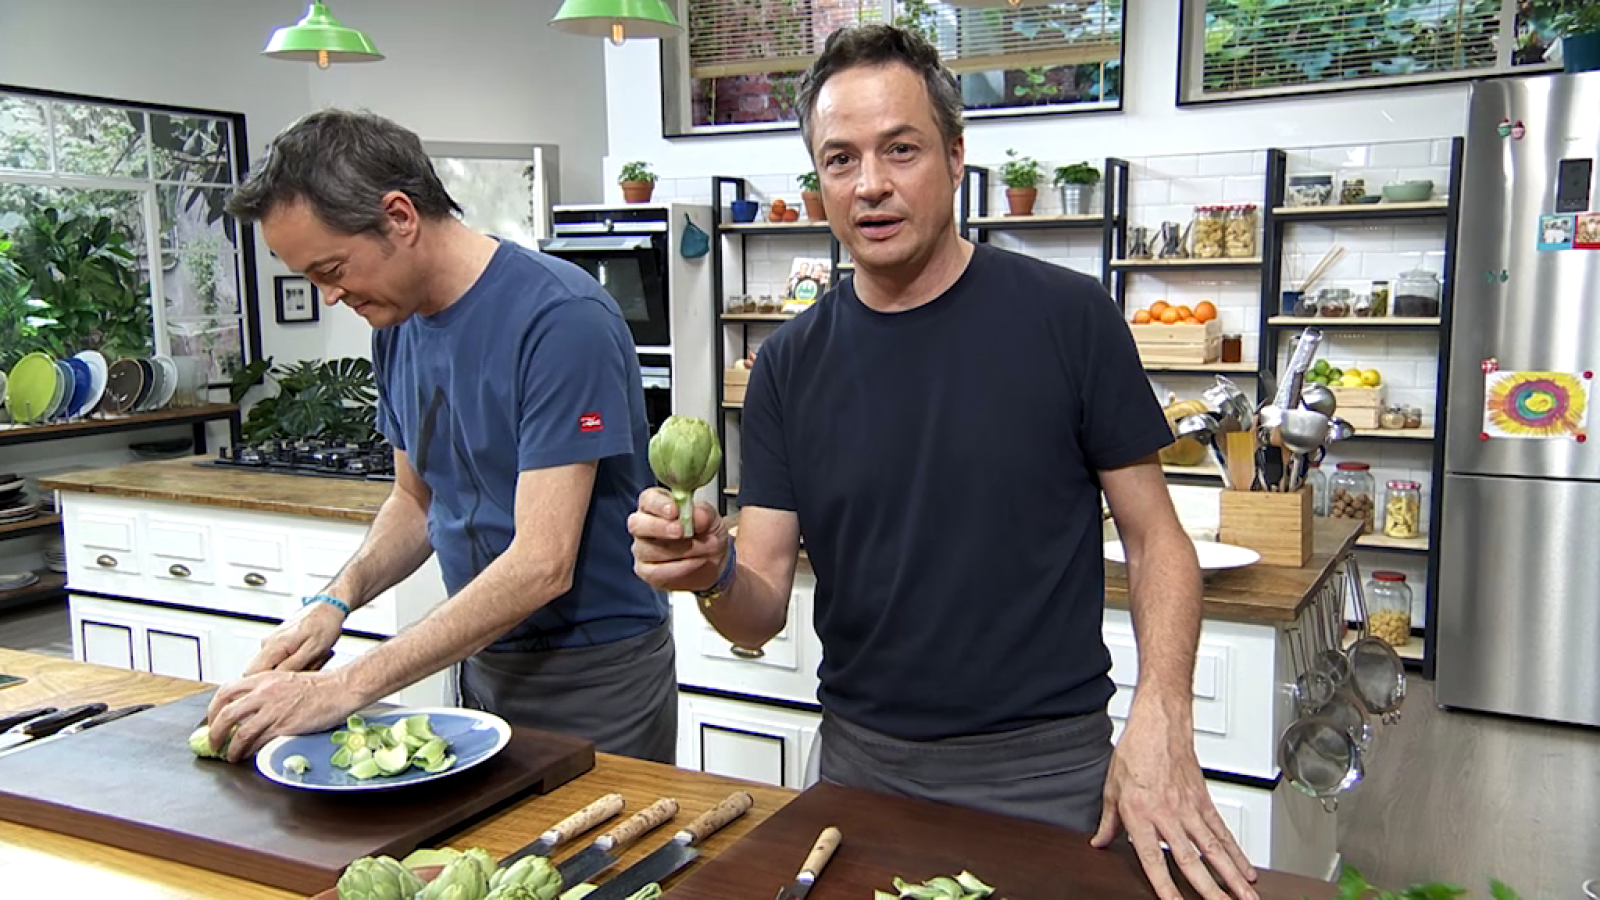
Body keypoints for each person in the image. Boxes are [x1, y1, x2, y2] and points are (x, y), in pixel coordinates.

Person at [628, 23, 1259, 900]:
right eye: (840, 159)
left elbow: (1157, 540)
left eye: (901, 149)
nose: (871, 184)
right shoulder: (787, 366)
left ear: (956, 157)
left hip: (1048, 775)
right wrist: (710, 573)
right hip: (858, 772)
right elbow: (759, 608)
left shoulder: (1069, 319)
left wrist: (1162, 713)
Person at [206, 109, 675, 765]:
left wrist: (343, 687)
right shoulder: (396, 325)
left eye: (331, 268)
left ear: (399, 216)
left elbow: (542, 564)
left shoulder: (560, 318)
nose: (329, 295)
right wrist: (332, 602)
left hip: (596, 676)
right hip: (481, 660)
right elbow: (415, 500)